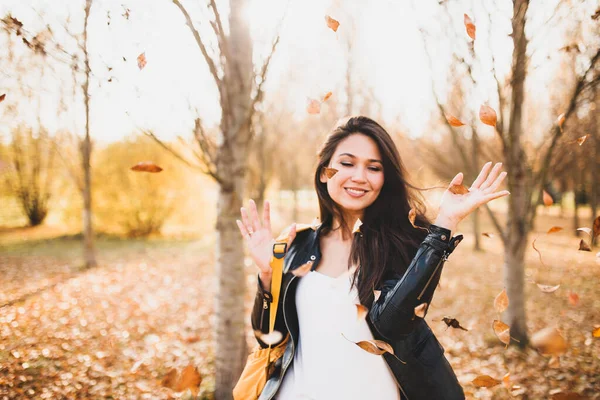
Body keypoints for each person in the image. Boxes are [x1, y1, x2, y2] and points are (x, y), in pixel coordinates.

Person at [236, 116, 509, 400]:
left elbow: (393, 324)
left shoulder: (406, 243)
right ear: (323, 172)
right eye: (346, 163)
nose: (359, 176)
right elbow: (271, 338)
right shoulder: (297, 243)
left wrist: (445, 224)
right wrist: (268, 275)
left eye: (373, 167)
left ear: (384, 179)